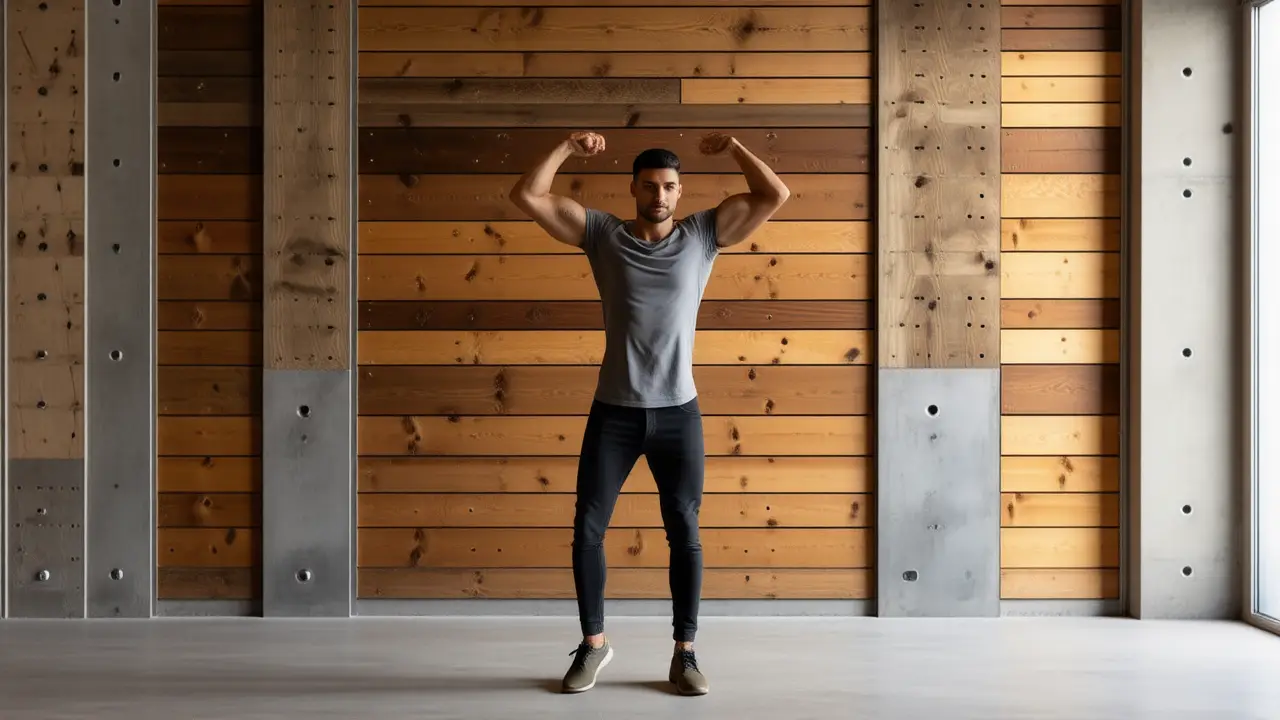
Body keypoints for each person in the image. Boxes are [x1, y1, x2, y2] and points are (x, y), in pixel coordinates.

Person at [507, 131, 790, 696]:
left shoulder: (703, 235)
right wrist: (565, 146)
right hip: (614, 412)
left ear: (679, 192)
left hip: (678, 414)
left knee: (684, 533)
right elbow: (528, 197)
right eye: (649, 186)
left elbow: (774, 194)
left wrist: (734, 147)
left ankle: (684, 654)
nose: (659, 195)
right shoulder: (603, 235)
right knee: (588, 531)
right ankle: (594, 646)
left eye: (668, 187)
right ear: (632, 189)